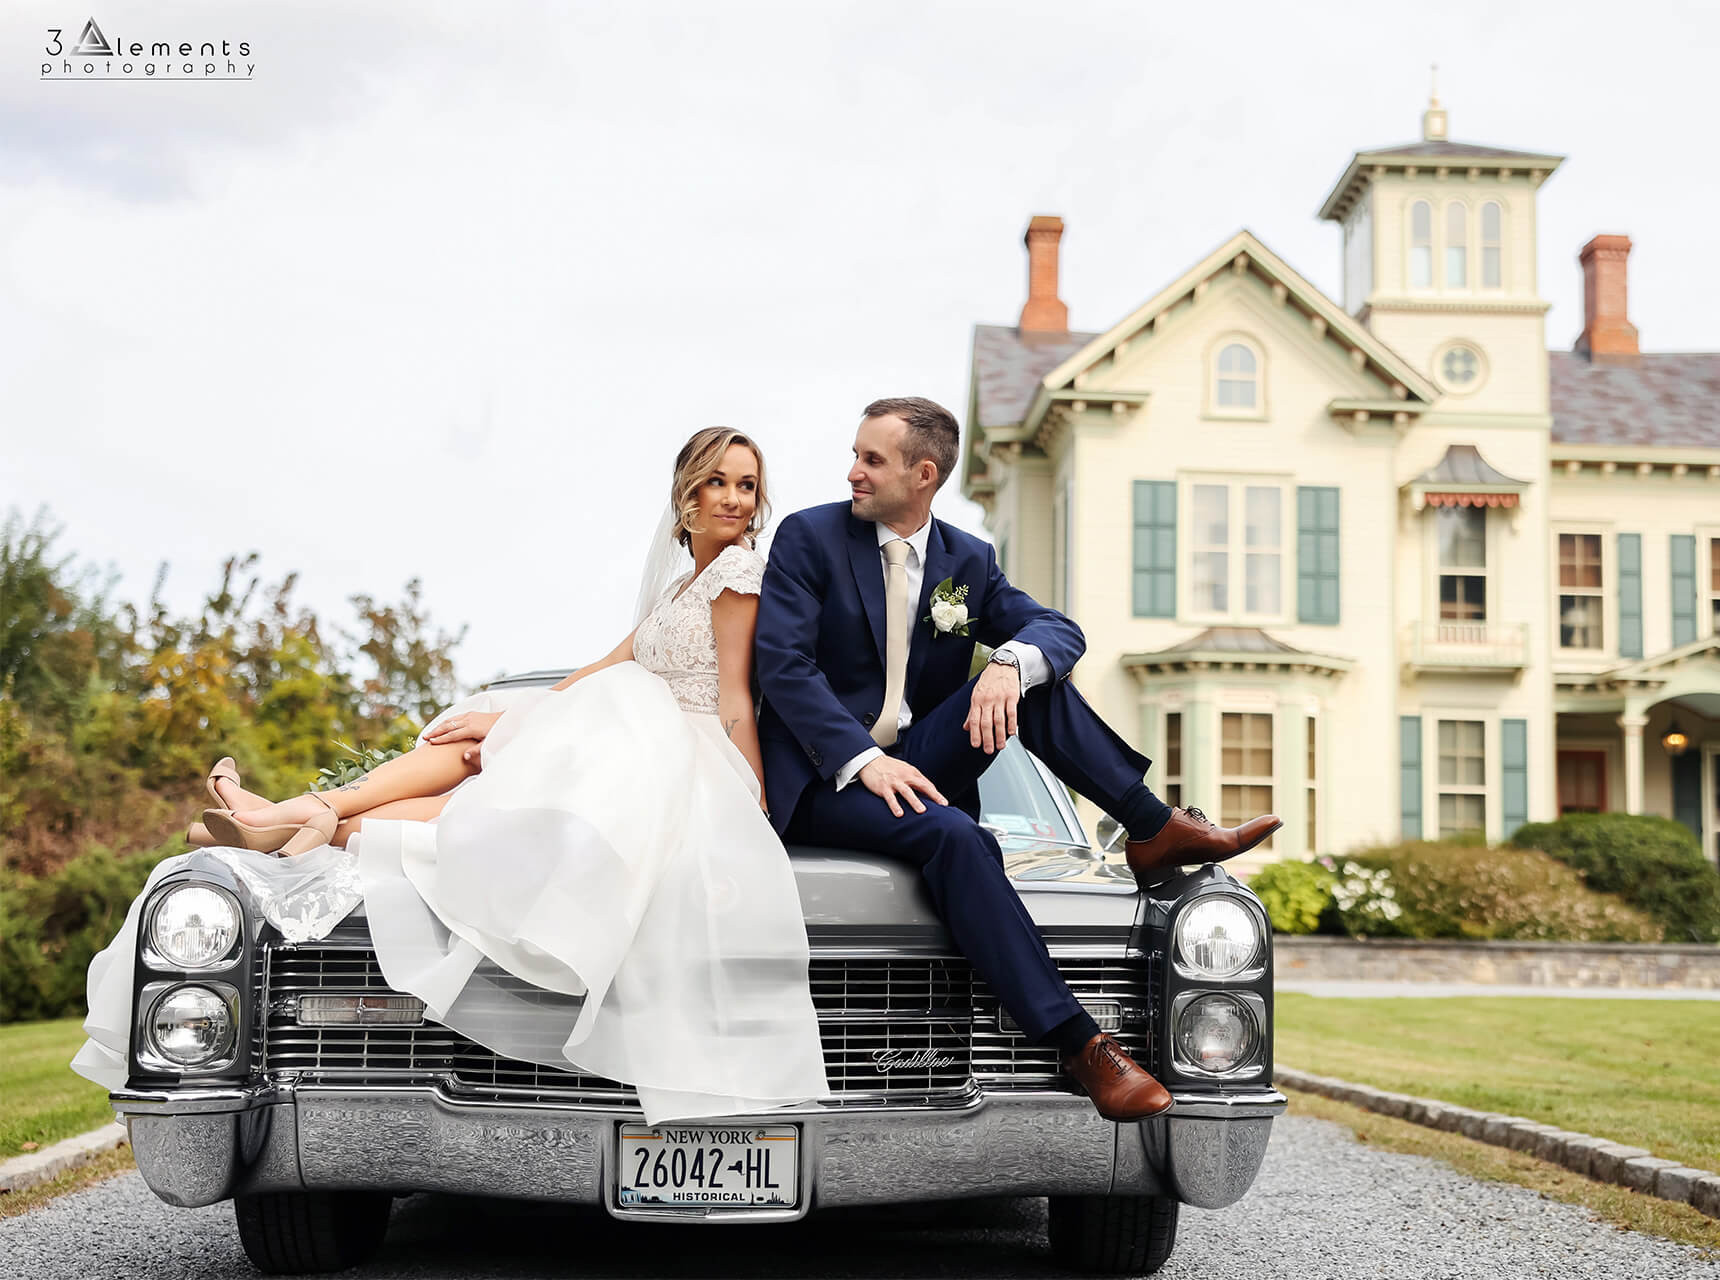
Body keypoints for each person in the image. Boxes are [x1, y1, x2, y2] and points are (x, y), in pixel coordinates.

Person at [182, 427, 830, 1122]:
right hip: (634, 733)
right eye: (718, 481)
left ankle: (295, 817)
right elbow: (606, 668)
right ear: (687, 495)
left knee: (485, 784)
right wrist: (515, 721)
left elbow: (736, 693)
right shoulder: (681, 586)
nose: (734, 499)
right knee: (479, 752)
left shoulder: (737, 577)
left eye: (747, 485)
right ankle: (307, 815)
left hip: (680, 752)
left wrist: (749, 791)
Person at [754, 396, 1280, 1124]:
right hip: (827, 781)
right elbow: (782, 667)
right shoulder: (809, 538)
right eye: (856, 455)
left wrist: (1006, 662)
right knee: (959, 837)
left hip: (922, 761)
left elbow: (1057, 629)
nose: (853, 473)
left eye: (872, 460)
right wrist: (860, 761)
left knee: (1032, 678)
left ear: (924, 474)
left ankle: (1151, 828)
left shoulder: (968, 560)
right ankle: (1081, 1045)